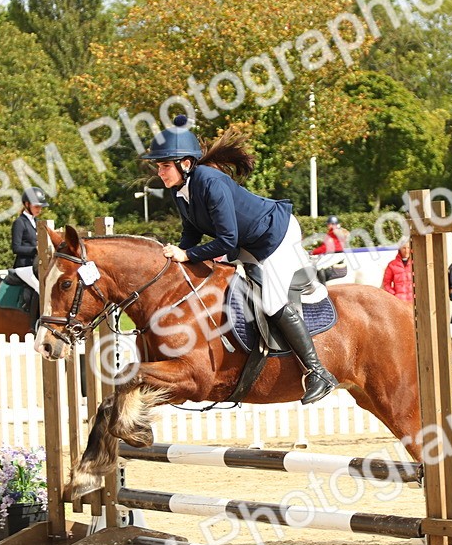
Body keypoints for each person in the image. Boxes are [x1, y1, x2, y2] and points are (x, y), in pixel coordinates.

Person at [141, 115, 338, 404]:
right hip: (248, 242)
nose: (159, 172)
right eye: (158, 166)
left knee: (272, 302)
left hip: (275, 235)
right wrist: (176, 256)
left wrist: (188, 254)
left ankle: (318, 372)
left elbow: (226, 241)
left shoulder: (211, 183)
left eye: (164, 166)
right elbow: (191, 231)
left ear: (185, 164)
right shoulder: (180, 190)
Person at [10, 186, 49, 294]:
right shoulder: (19, 222)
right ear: (27, 204)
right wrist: (36, 250)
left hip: (36, 265)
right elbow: (16, 248)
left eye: (40, 207)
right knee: (41, 289)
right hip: (24, 267)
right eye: (36, 206)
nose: (39, 209)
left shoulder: (37, 222)